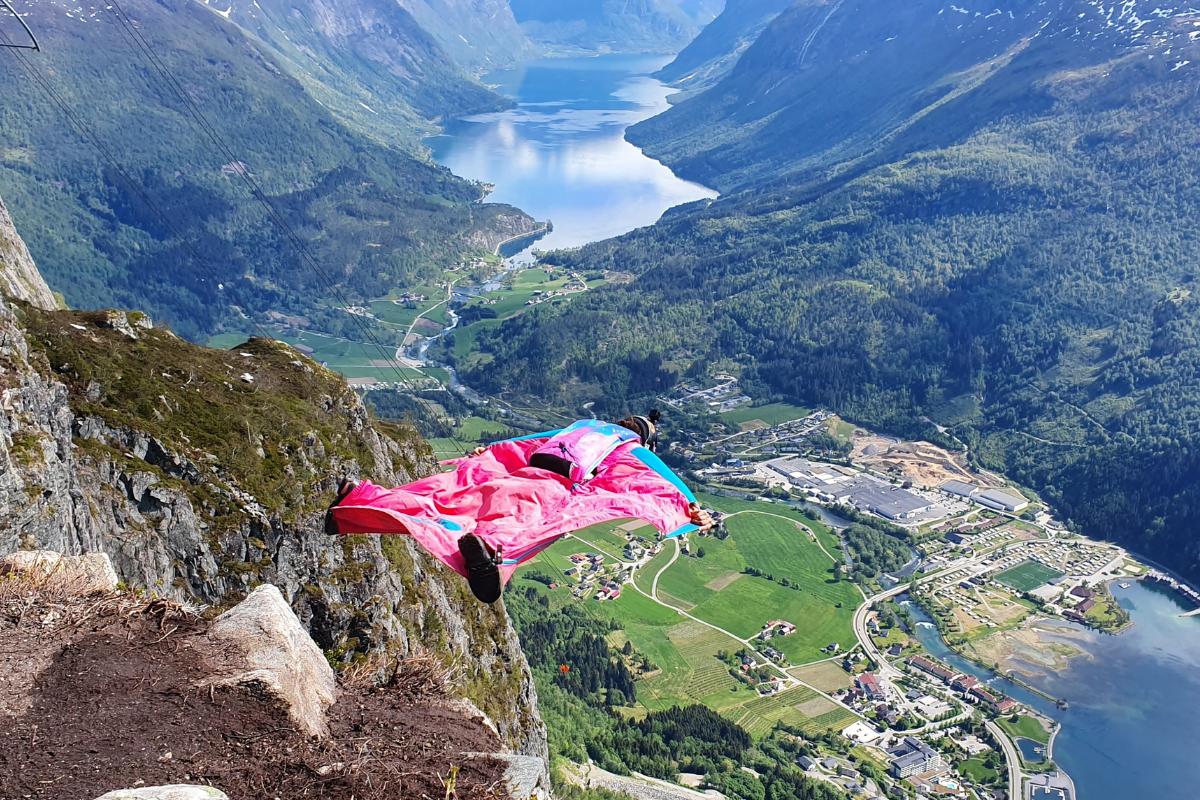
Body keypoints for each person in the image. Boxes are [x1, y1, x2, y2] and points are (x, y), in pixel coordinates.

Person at [326, 412, 713, 603]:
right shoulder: (630, 449)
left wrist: (486, 455)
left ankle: (359, 499)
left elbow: (527, 442)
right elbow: (647, 481)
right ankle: (493, 562)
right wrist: (688, 510)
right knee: (523, 524)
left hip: (521, 468)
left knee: (447, 498)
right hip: (555, 484)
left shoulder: (583, 427)